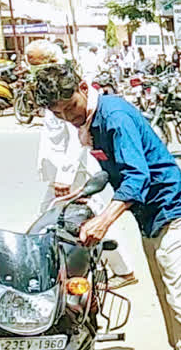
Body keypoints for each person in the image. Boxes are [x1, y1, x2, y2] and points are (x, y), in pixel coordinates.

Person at [34, 65, 181, 350]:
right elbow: (113, 169)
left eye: (70, 107)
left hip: (173, 212)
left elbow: (137, 175)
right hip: (150, 217)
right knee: (166, 296)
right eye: (59, 114)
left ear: (83, 87)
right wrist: (84, 191)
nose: (69, 117)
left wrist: (103, 220)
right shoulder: (92, 123)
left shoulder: (112, 117)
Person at [26, 40, 136, 290]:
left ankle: (122, 269)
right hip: (65, 170)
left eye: (33, 62)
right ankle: (119, 268)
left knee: (86, 218)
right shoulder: (48, 87)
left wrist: (65, 175)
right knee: (64, 217)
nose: (29, 67)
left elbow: (76, 134)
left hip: (75, 172)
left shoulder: (65, 88)